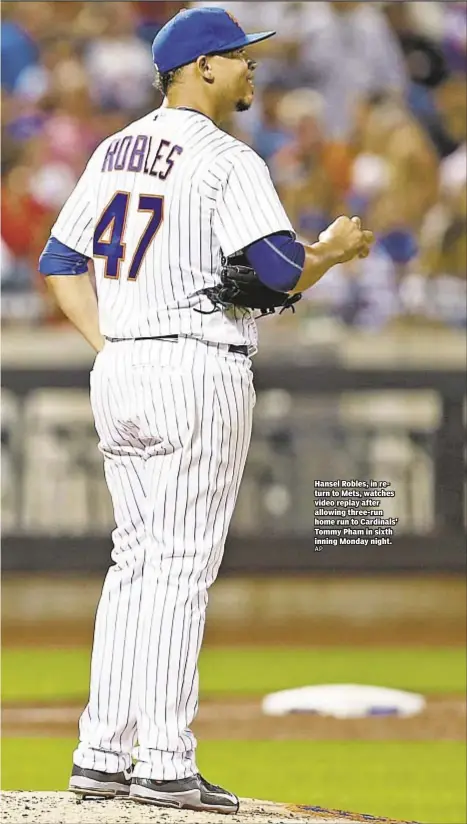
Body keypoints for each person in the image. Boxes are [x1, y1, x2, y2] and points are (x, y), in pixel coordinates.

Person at [38, 6, 373, 815]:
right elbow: (275, 270)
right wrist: (326, 252)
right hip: (194, 365)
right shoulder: (227, 157)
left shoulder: (113, 149)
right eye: (238, 57)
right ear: (201, 69)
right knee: (180, 568)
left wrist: (110, 343)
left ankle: (100, 752)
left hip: (121, 365)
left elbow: (58, 260)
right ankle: (162, 761)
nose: (252, 69)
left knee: (135, 564)